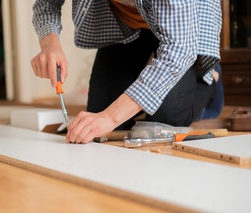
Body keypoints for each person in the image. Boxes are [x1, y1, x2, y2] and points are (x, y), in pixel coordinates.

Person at [31, 0, 222, 144]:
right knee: (96, 120)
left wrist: (110, 117)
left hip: (185, 28)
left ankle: (207, 79)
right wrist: (50, 44)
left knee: (162, 122)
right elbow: (46, 3)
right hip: (126, 24)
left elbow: (180, 50)